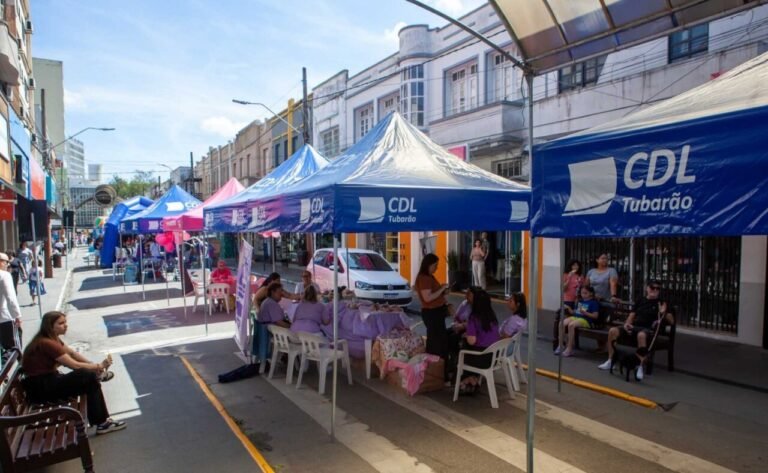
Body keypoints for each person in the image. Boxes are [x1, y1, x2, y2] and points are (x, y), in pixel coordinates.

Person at [21, 311, 126, 434]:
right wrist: (99, 366)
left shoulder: (51, 339)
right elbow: (74, 365)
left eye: (65, 322)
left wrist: (94, 366)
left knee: (89, 379)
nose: (65, 325)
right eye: (61, 323)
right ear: (50, 326)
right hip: (42, 389)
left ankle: (102, 421)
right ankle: (102, 422)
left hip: (45, 383)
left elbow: (72, 353)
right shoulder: (47, 343)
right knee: (87, 376)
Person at [598, 280, 675, 379]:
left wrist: (664, 312)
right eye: (652, 287)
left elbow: (671, 321)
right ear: (647, 288)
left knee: (641, 335)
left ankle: (639, 366)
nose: (655, 290)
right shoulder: (641, 300)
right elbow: (632, 315)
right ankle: (610, 360)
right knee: (613, 331)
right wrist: (626, 324)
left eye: (657, 288)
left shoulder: (661, 302)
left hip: (649, 330)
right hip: (635, 326)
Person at [458, 291, 500, 394]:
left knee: (463, 348)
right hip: (494, 357)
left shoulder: (474, 318)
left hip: (481, 359)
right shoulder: (493, 317)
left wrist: (467, 335)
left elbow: (471, 341)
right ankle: (471, 380)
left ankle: (467, 380)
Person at [414, 253, 451, 362]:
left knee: (440, 339)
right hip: (432, 313)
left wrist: (443, 291)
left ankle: (441, 363)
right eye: (435, 265)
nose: (436, 268)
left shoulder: (430, 277)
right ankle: (435, 364)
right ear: (428, 265)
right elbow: (427, 298)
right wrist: (442, 289)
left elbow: (434, 294)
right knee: (435, 341)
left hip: (437, 311)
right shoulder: (424, 278)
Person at [555, 286, 600, 357]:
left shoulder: (593, 303)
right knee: (562, 323)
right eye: (582, 293)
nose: (583, 295)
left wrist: (585, 313)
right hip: (576, 317)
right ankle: (560, 345)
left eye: (585, 293)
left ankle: (569, 348)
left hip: (586, 320)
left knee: (571, 325)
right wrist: (569, 308)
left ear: (591, 293)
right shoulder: (581, 301)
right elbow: (575, 312)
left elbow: (595, 316)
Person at [0, 252, 22, 348]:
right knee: (12, 348)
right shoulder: (4, 275)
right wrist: (17, 316)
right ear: (1, 262)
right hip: (4, 318)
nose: (8, 265)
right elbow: (10, 297)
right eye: (7, 262)